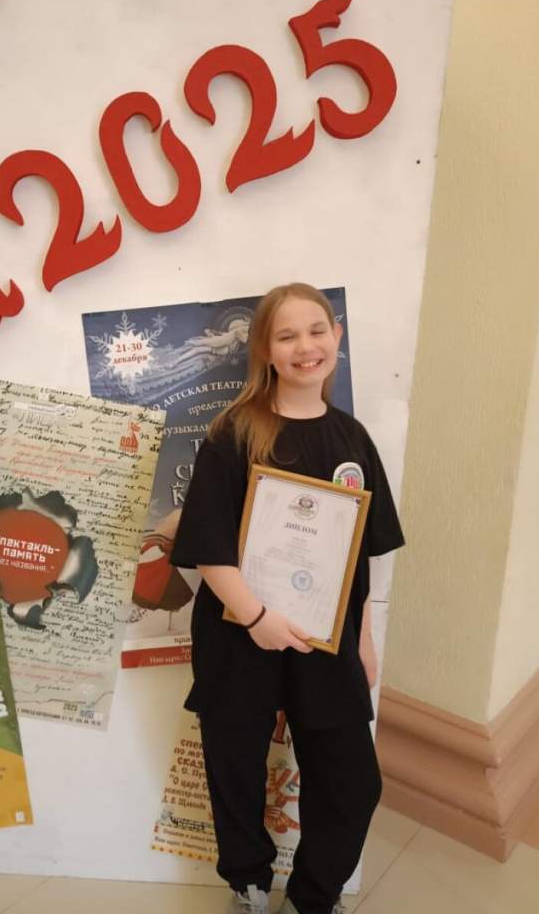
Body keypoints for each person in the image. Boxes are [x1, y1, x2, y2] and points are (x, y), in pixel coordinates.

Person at [171, 283, 404, 914]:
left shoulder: (353, 440)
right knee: (235, 766)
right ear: (265, 350)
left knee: (352, 781)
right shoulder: (234, 433)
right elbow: (209, 548)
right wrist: (257, 617)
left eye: (317, 330)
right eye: (287, 335)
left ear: (337, 337)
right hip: (239, 631)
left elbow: (360, 557)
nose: (306, 346)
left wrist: (362, 640)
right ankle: (248, 882)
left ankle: (313, 896)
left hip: (325, 640)